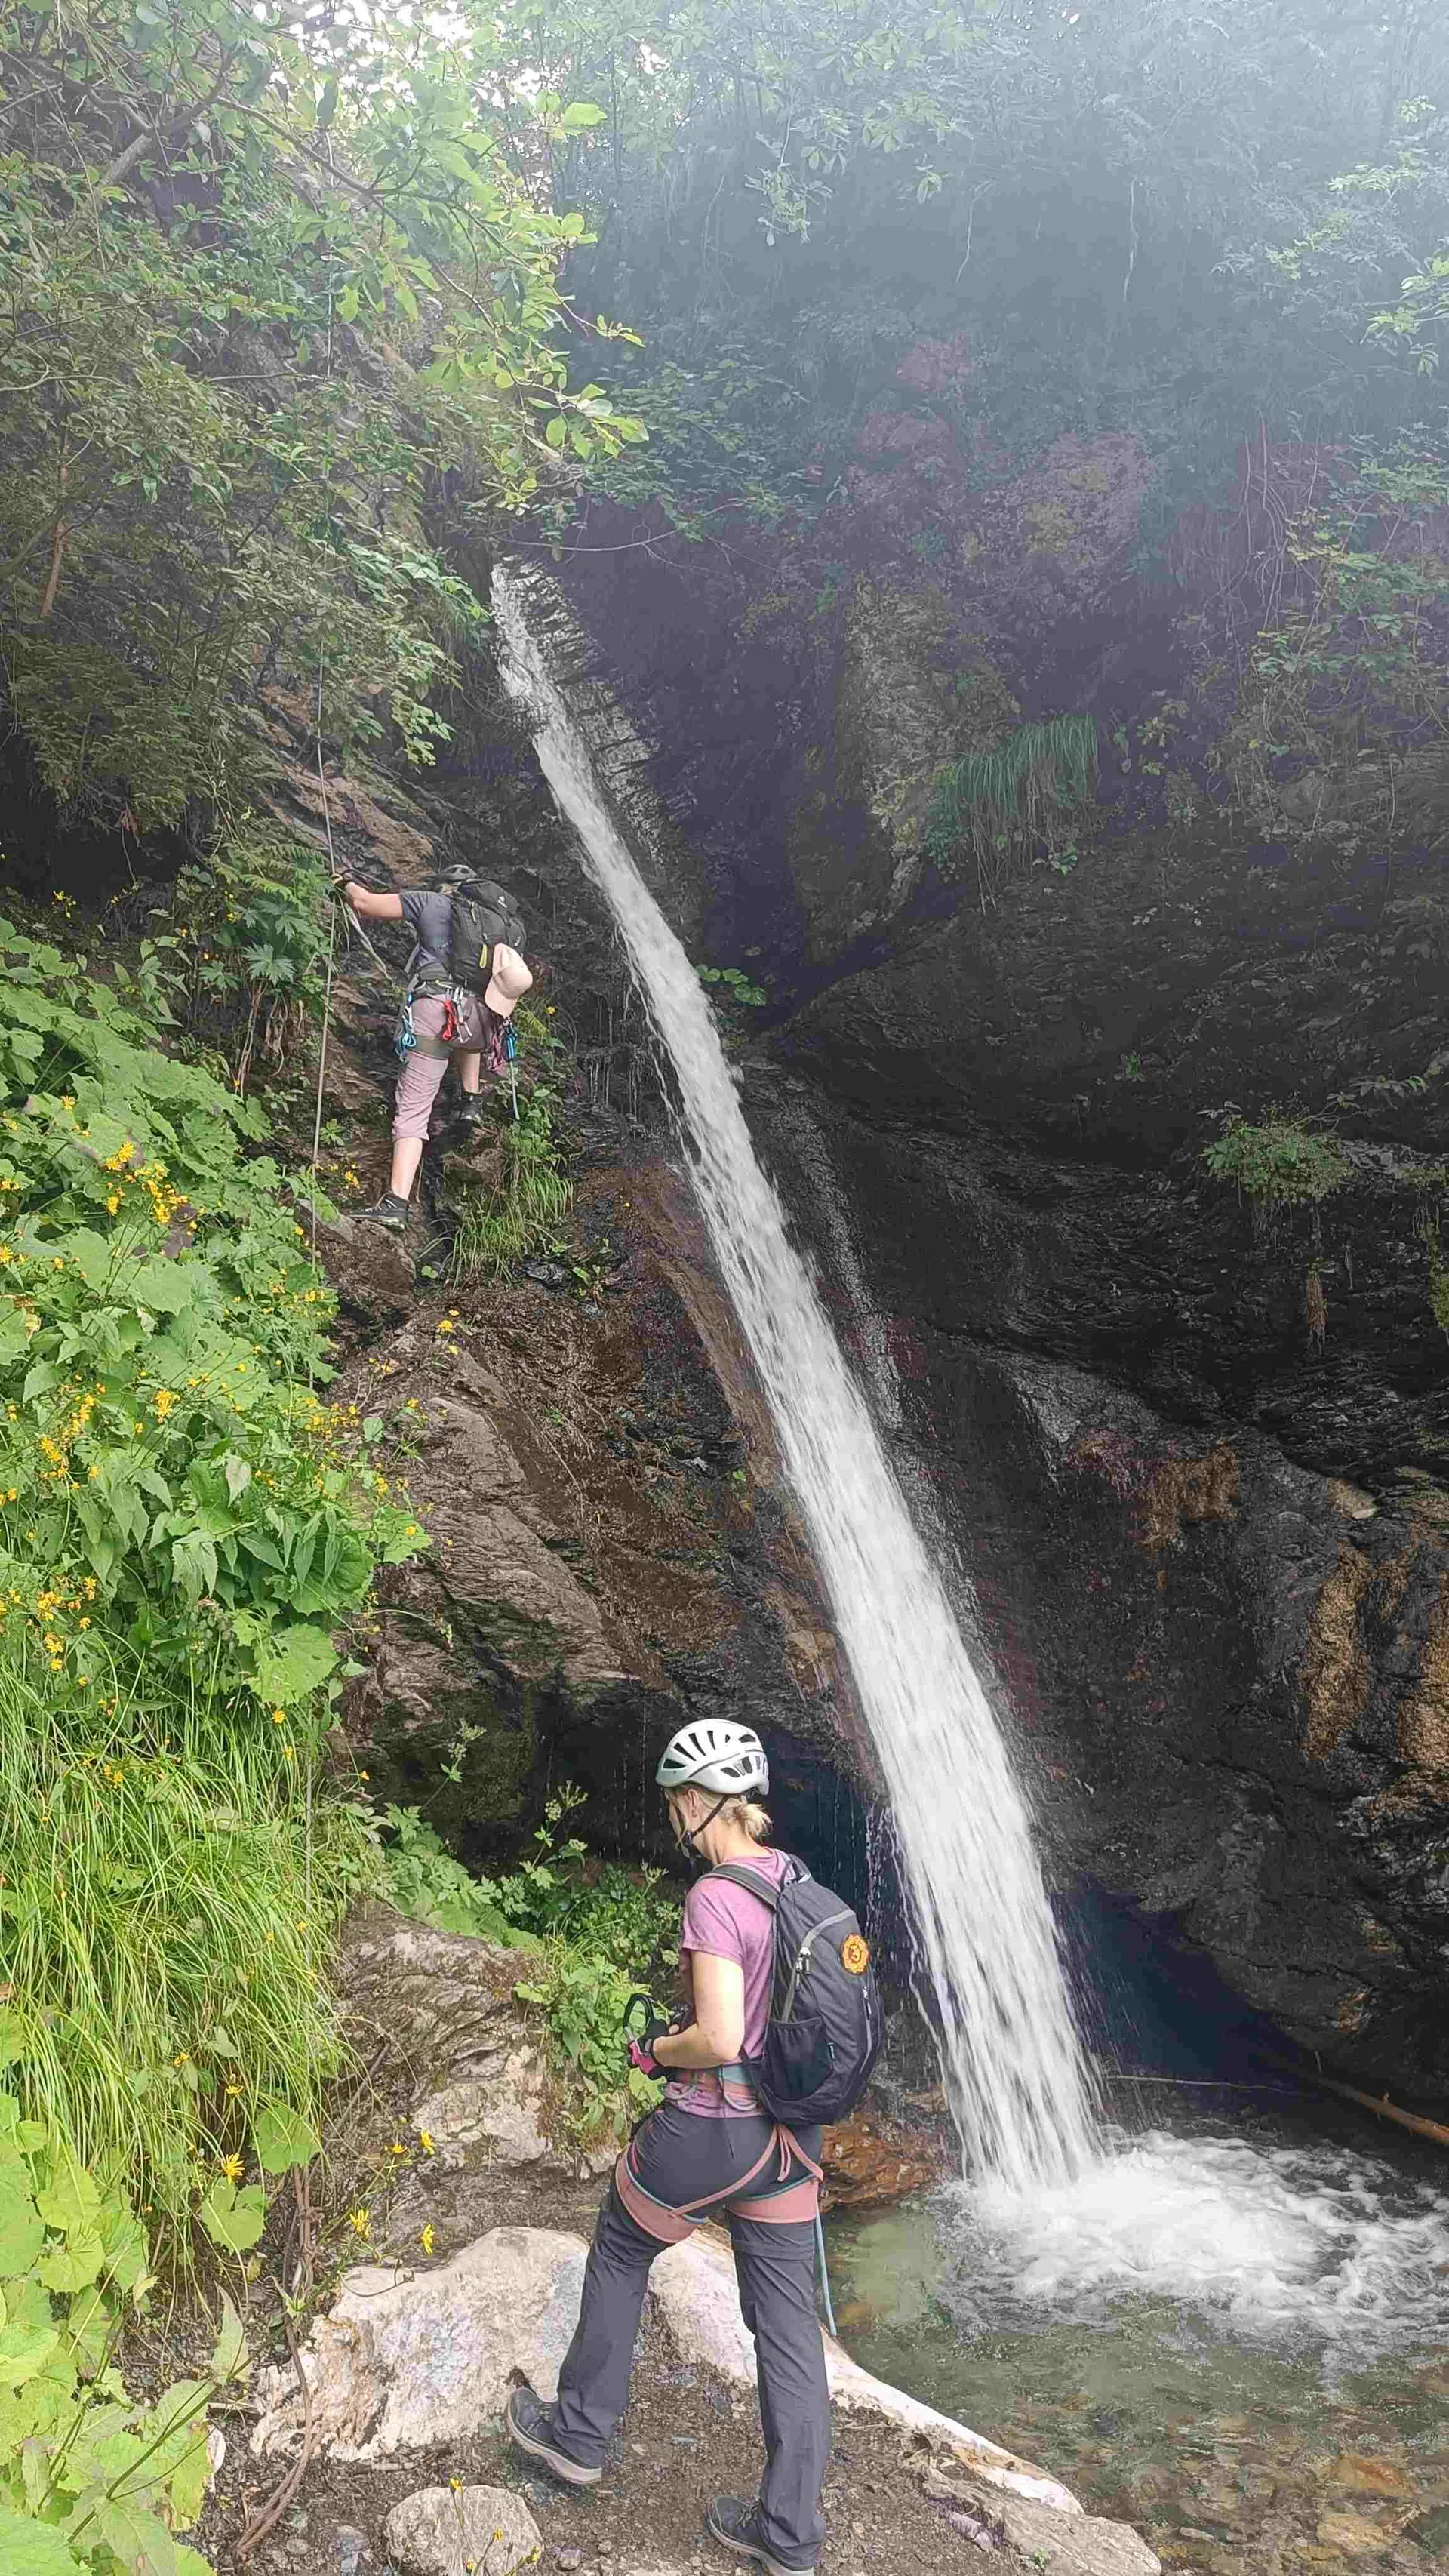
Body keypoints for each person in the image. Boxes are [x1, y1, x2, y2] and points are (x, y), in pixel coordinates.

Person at [506, 1722, 830, 2576]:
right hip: (792, 2139)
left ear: (696, 1802)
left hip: (716, 2126)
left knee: (620, 2241)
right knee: (791, 2331)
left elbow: (720, 2034)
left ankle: (577, 2439)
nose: (671, 1819)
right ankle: (790, 2536)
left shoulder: (717, 1896)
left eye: (672, 1803)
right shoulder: (798, 1882)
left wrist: (658, 2049)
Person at [340, 865, 533, 1231]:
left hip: (435, 1010)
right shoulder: (496, 928)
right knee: (464, 1034)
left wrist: (345, 881)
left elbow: (364, 903)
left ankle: (396, 1202)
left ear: (445, 888)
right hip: (480, 1019)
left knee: (413, 1109)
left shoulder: (431, 903)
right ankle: (471, 1101)